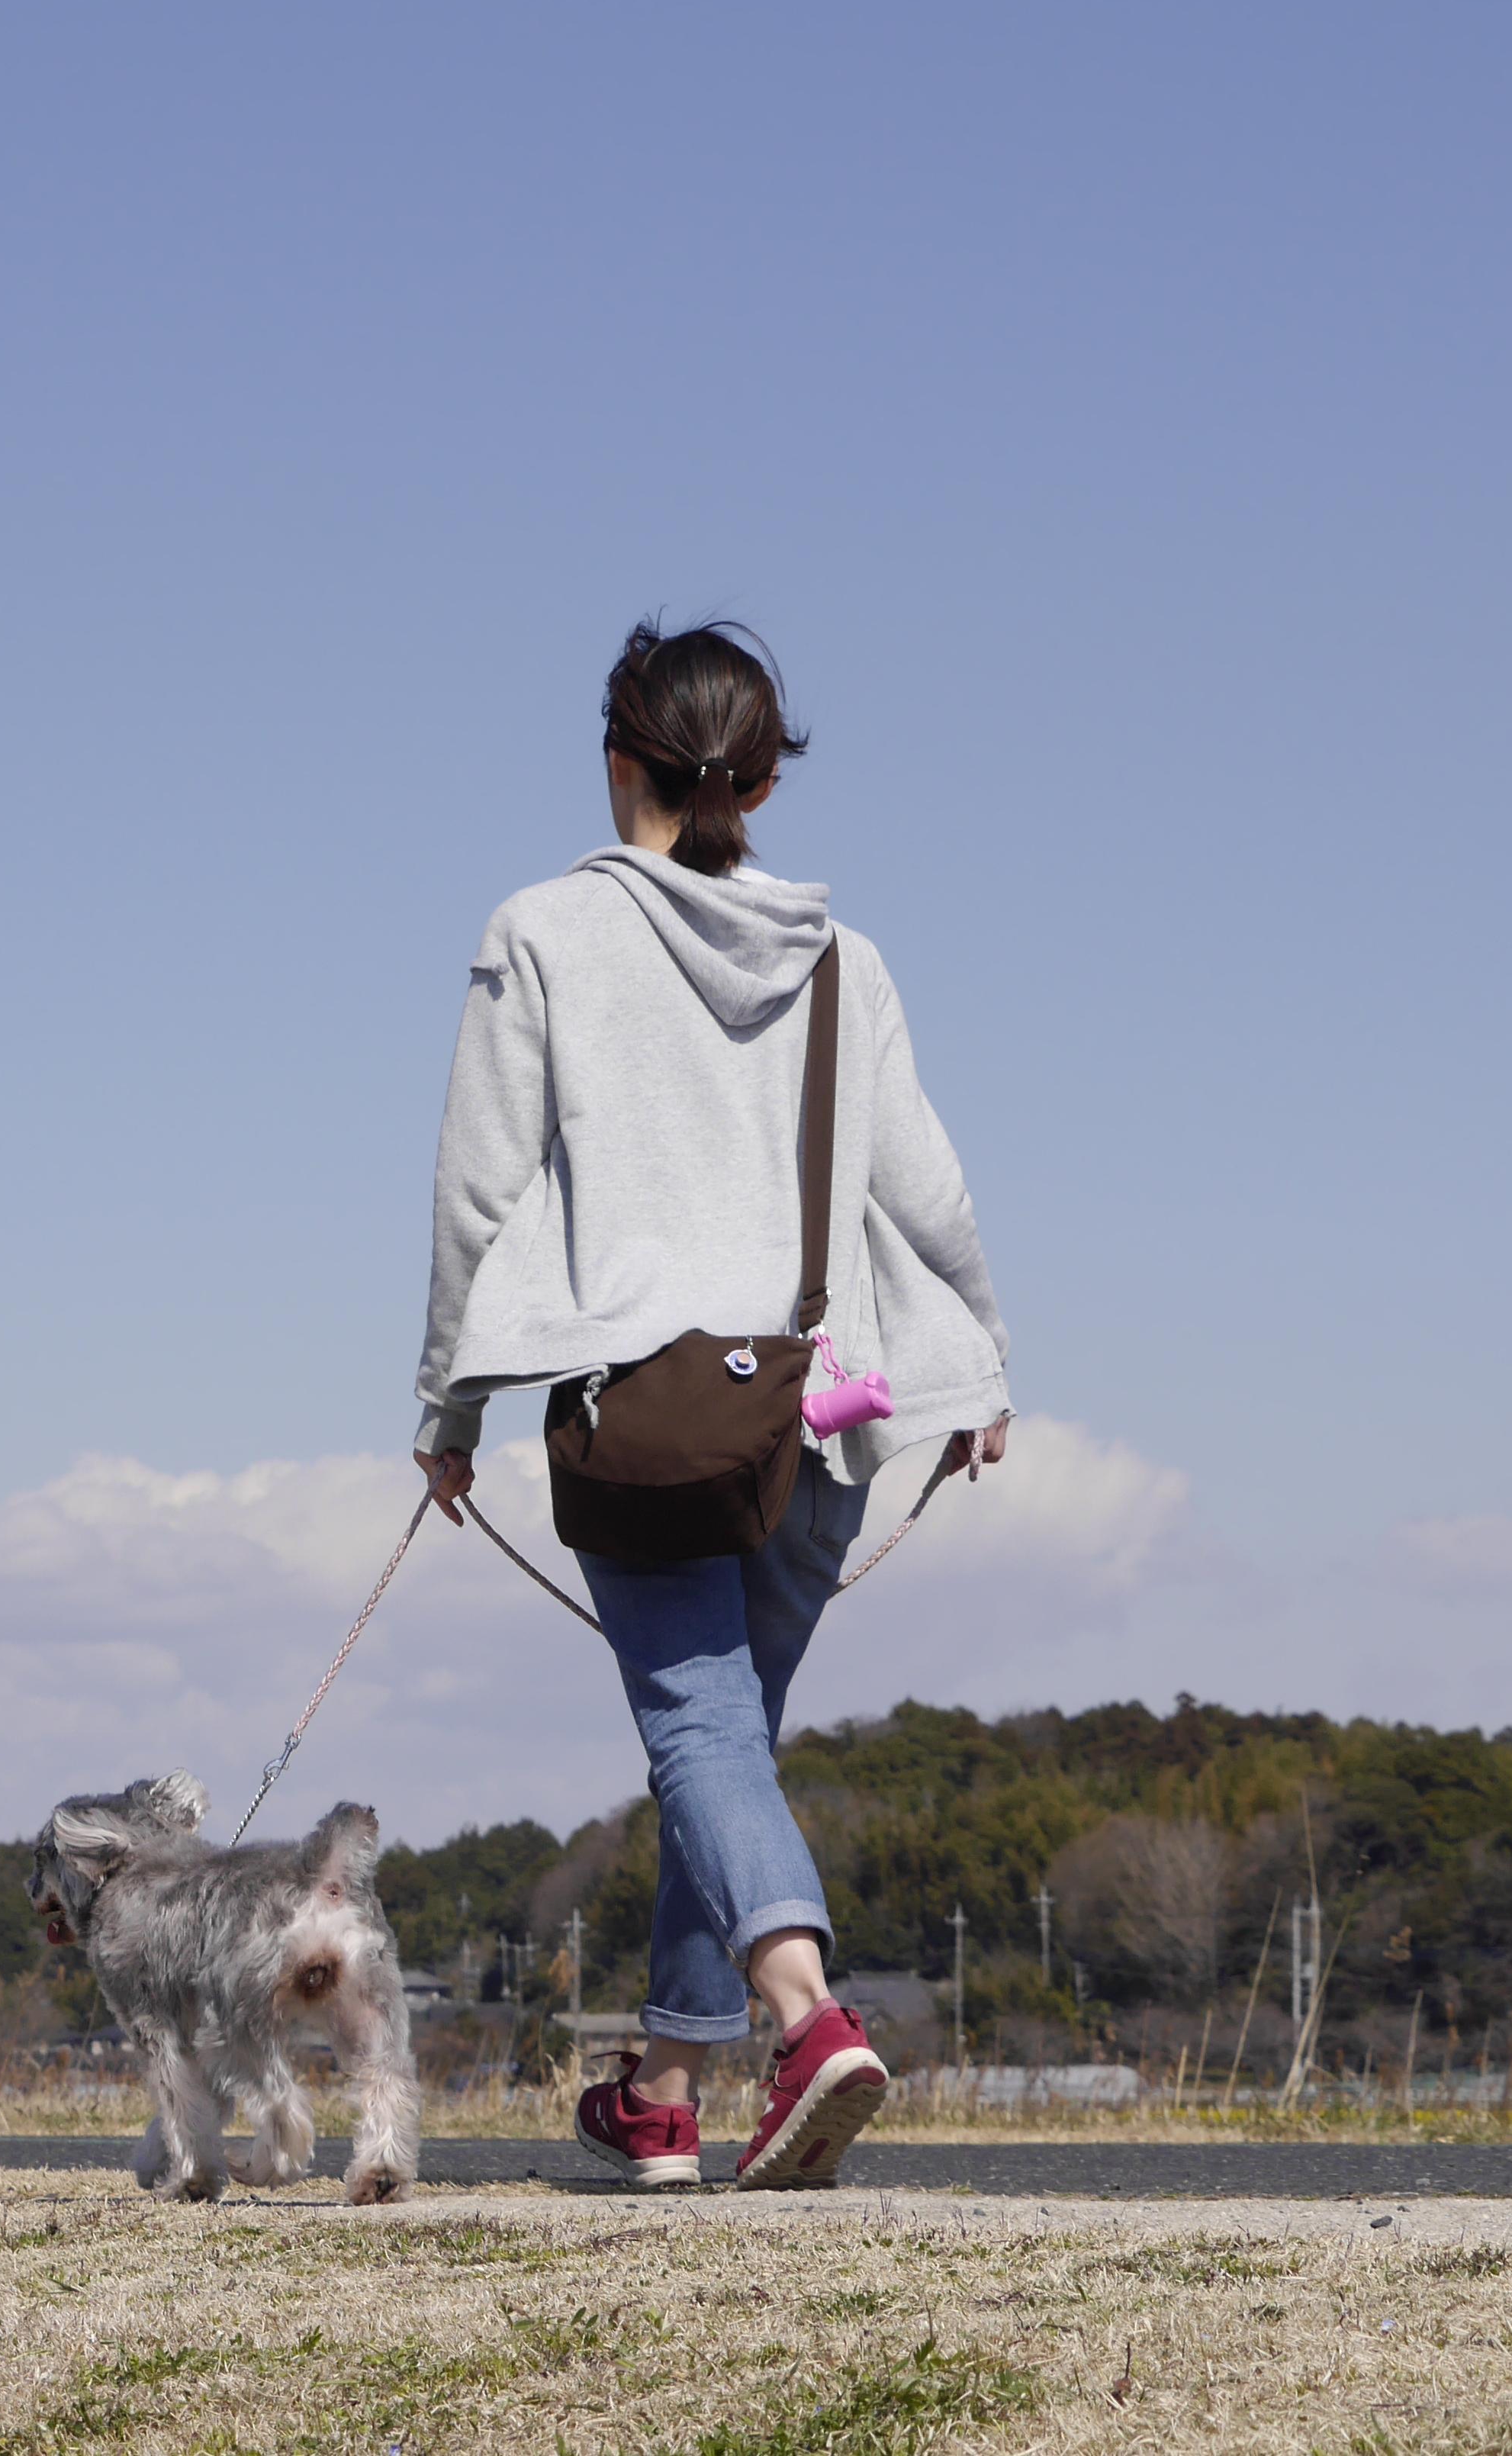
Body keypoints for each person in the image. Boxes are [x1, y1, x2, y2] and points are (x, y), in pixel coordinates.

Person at [410, 620, 1011, 2191]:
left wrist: (447, 1402)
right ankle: (664, 2088)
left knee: (696, 1727)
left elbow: (478, 1190)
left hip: (647, 1410)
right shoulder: (840, 955)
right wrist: (980, 1369)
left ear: (620, 757)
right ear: (757, 776)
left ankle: (802, 2014)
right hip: (824, 1407)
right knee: (722, 1744)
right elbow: (922, 1183)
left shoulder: (542, 930)